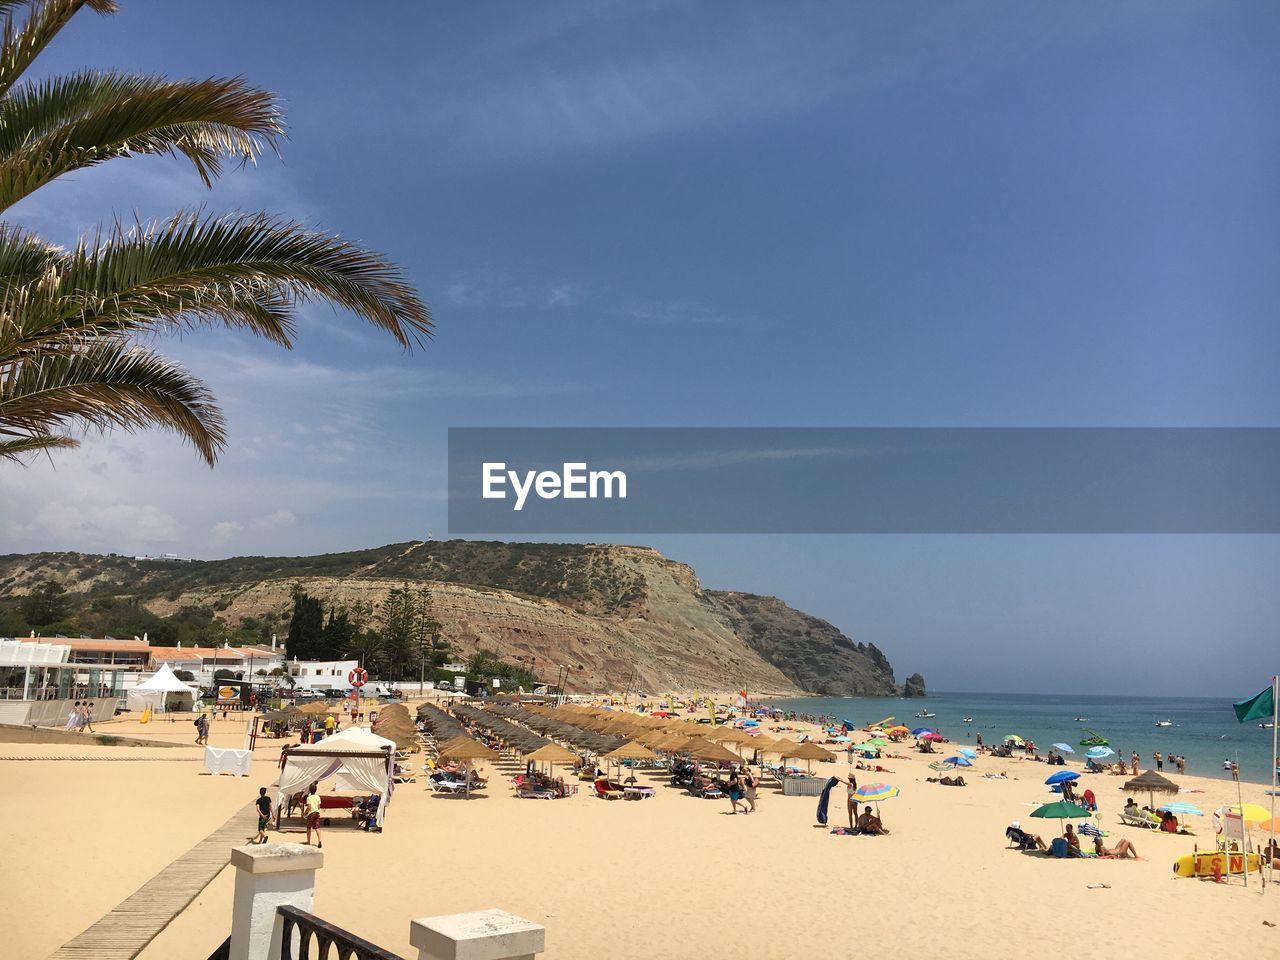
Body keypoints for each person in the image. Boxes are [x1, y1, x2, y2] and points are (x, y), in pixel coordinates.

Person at [304, 782, 323, 848]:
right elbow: (318, 806)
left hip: (311, 813)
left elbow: (309, 807)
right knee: (317, 827)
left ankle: (308, 842)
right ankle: (319, 840)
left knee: (308, 827)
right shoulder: (318, 797)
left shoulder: (309, 798)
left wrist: (305, 812)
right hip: (317, 813)